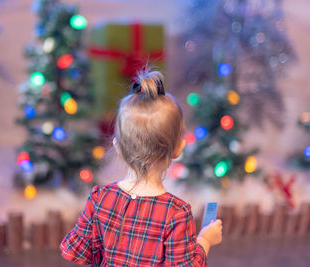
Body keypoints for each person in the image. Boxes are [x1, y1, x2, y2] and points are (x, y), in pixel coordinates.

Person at [60, 69, 222, 266]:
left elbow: (76, 251)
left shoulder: (99, 198)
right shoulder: (176, 214)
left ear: (117, 147)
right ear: (179, 147)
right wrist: (205, 240)